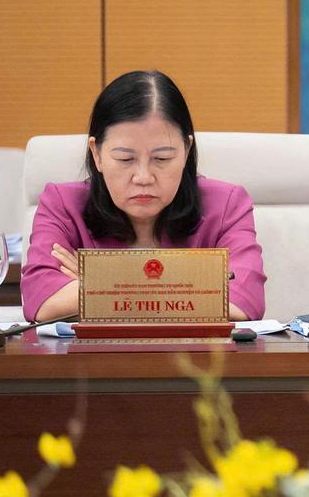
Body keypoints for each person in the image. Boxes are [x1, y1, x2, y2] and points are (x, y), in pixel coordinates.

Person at [20, 70, 266, 323]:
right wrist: (196, 289)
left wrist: (98, 285)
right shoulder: (62, 204)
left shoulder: (227, 204)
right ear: (97, 154)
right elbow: (43, 303)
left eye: (162, 158)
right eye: (125, 159)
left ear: (186, 150)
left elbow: (243, 303)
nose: (143, 177)